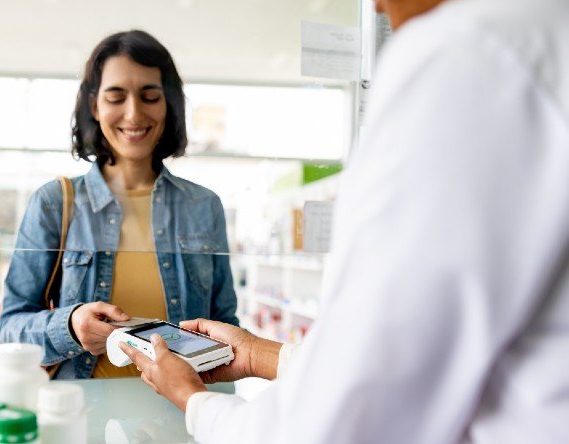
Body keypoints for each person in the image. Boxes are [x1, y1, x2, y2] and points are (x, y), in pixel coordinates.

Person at [121, 0, 569, 441]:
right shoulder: (540, 31)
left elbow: (348, 418)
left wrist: (194, 401)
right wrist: (261, 355)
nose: (376, 8)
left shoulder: (464, 53)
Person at [0, 30, 239, 380]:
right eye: (116, 97)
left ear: (168, 104)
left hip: (181, 418)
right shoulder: (54, 203)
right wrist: (69, 325)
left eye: (149, 96)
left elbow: (226, 326)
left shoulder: (203, 206)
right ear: (94, 106)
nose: (133, 112)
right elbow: (9, 328)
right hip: (83, 420)